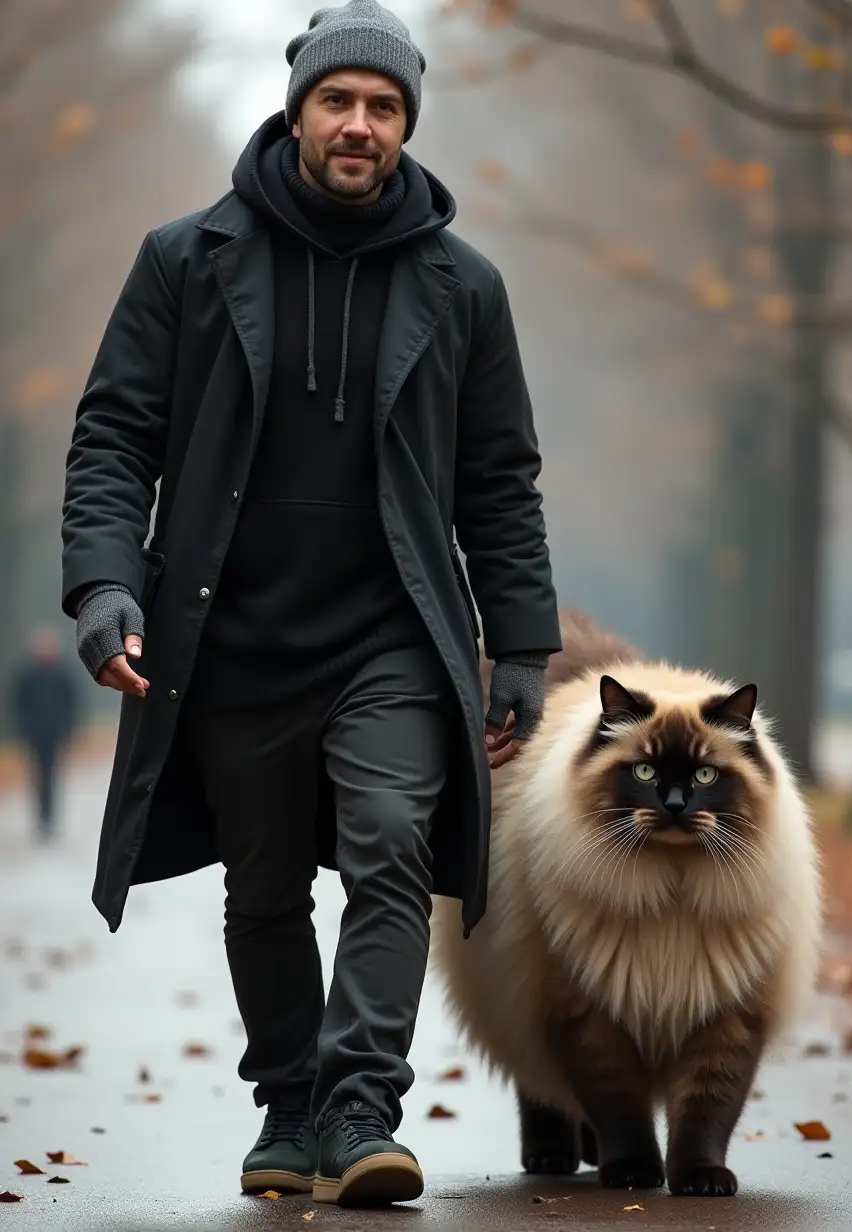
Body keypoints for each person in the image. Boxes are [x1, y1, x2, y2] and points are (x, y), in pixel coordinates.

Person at [60, 0, 561, 1209]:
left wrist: (523, 648)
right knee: (266, 888)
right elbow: (115, 435)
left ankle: (359, 1105)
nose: (359, 124)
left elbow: (499, 480)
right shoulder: (187, 259)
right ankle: (288, 1102)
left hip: (392, 632)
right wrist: (105, 584)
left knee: (391, 847)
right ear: (296, 112)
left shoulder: (463, 285)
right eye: (339, 100)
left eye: (384, 107)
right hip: (228, 637)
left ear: (405, 127)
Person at [10, 624, 80, 840]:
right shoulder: (27, 673)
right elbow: (17, 704)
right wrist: (21, 730)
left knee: (51, 775)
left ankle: (49, 818)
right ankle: (40, 817)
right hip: (33, 734)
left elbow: (72, 704)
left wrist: (69, 730)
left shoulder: (63, 673)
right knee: (37, 775)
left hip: (56, 734)